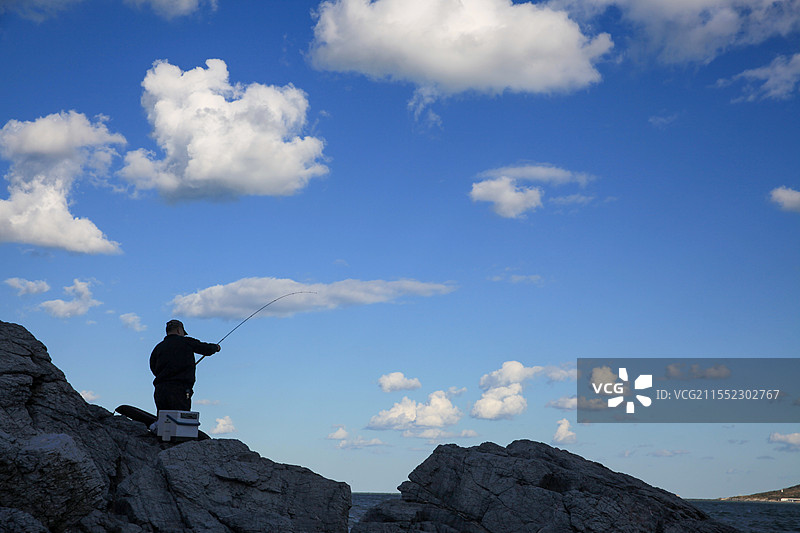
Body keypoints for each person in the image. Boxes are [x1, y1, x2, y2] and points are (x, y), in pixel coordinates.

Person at [150, 319, 220, 413]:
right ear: (179, 330)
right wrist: (216, 347)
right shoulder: (186, 342)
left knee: (164, 420)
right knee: (180, 420)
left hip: (160, 390)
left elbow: (152, 366)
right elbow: (206, 349)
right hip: (180, 389)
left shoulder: (158, 347)